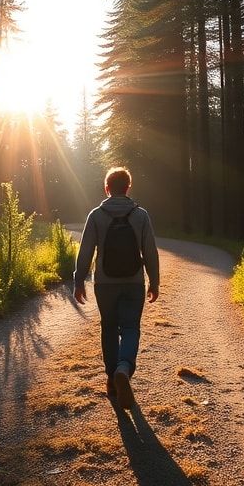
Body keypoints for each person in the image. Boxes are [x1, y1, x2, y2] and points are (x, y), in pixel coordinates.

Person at [73, 166, 159, 409]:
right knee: (131, 327)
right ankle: (124, 369)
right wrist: (154, 281)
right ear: (128, 188)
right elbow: (150, 252)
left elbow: (85, 251)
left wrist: (79, 281)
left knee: (109, 328)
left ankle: (112, 379)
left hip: (105, 283)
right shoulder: (141, 215)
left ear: (107, 188)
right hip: (133, 282)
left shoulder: (96, 215)